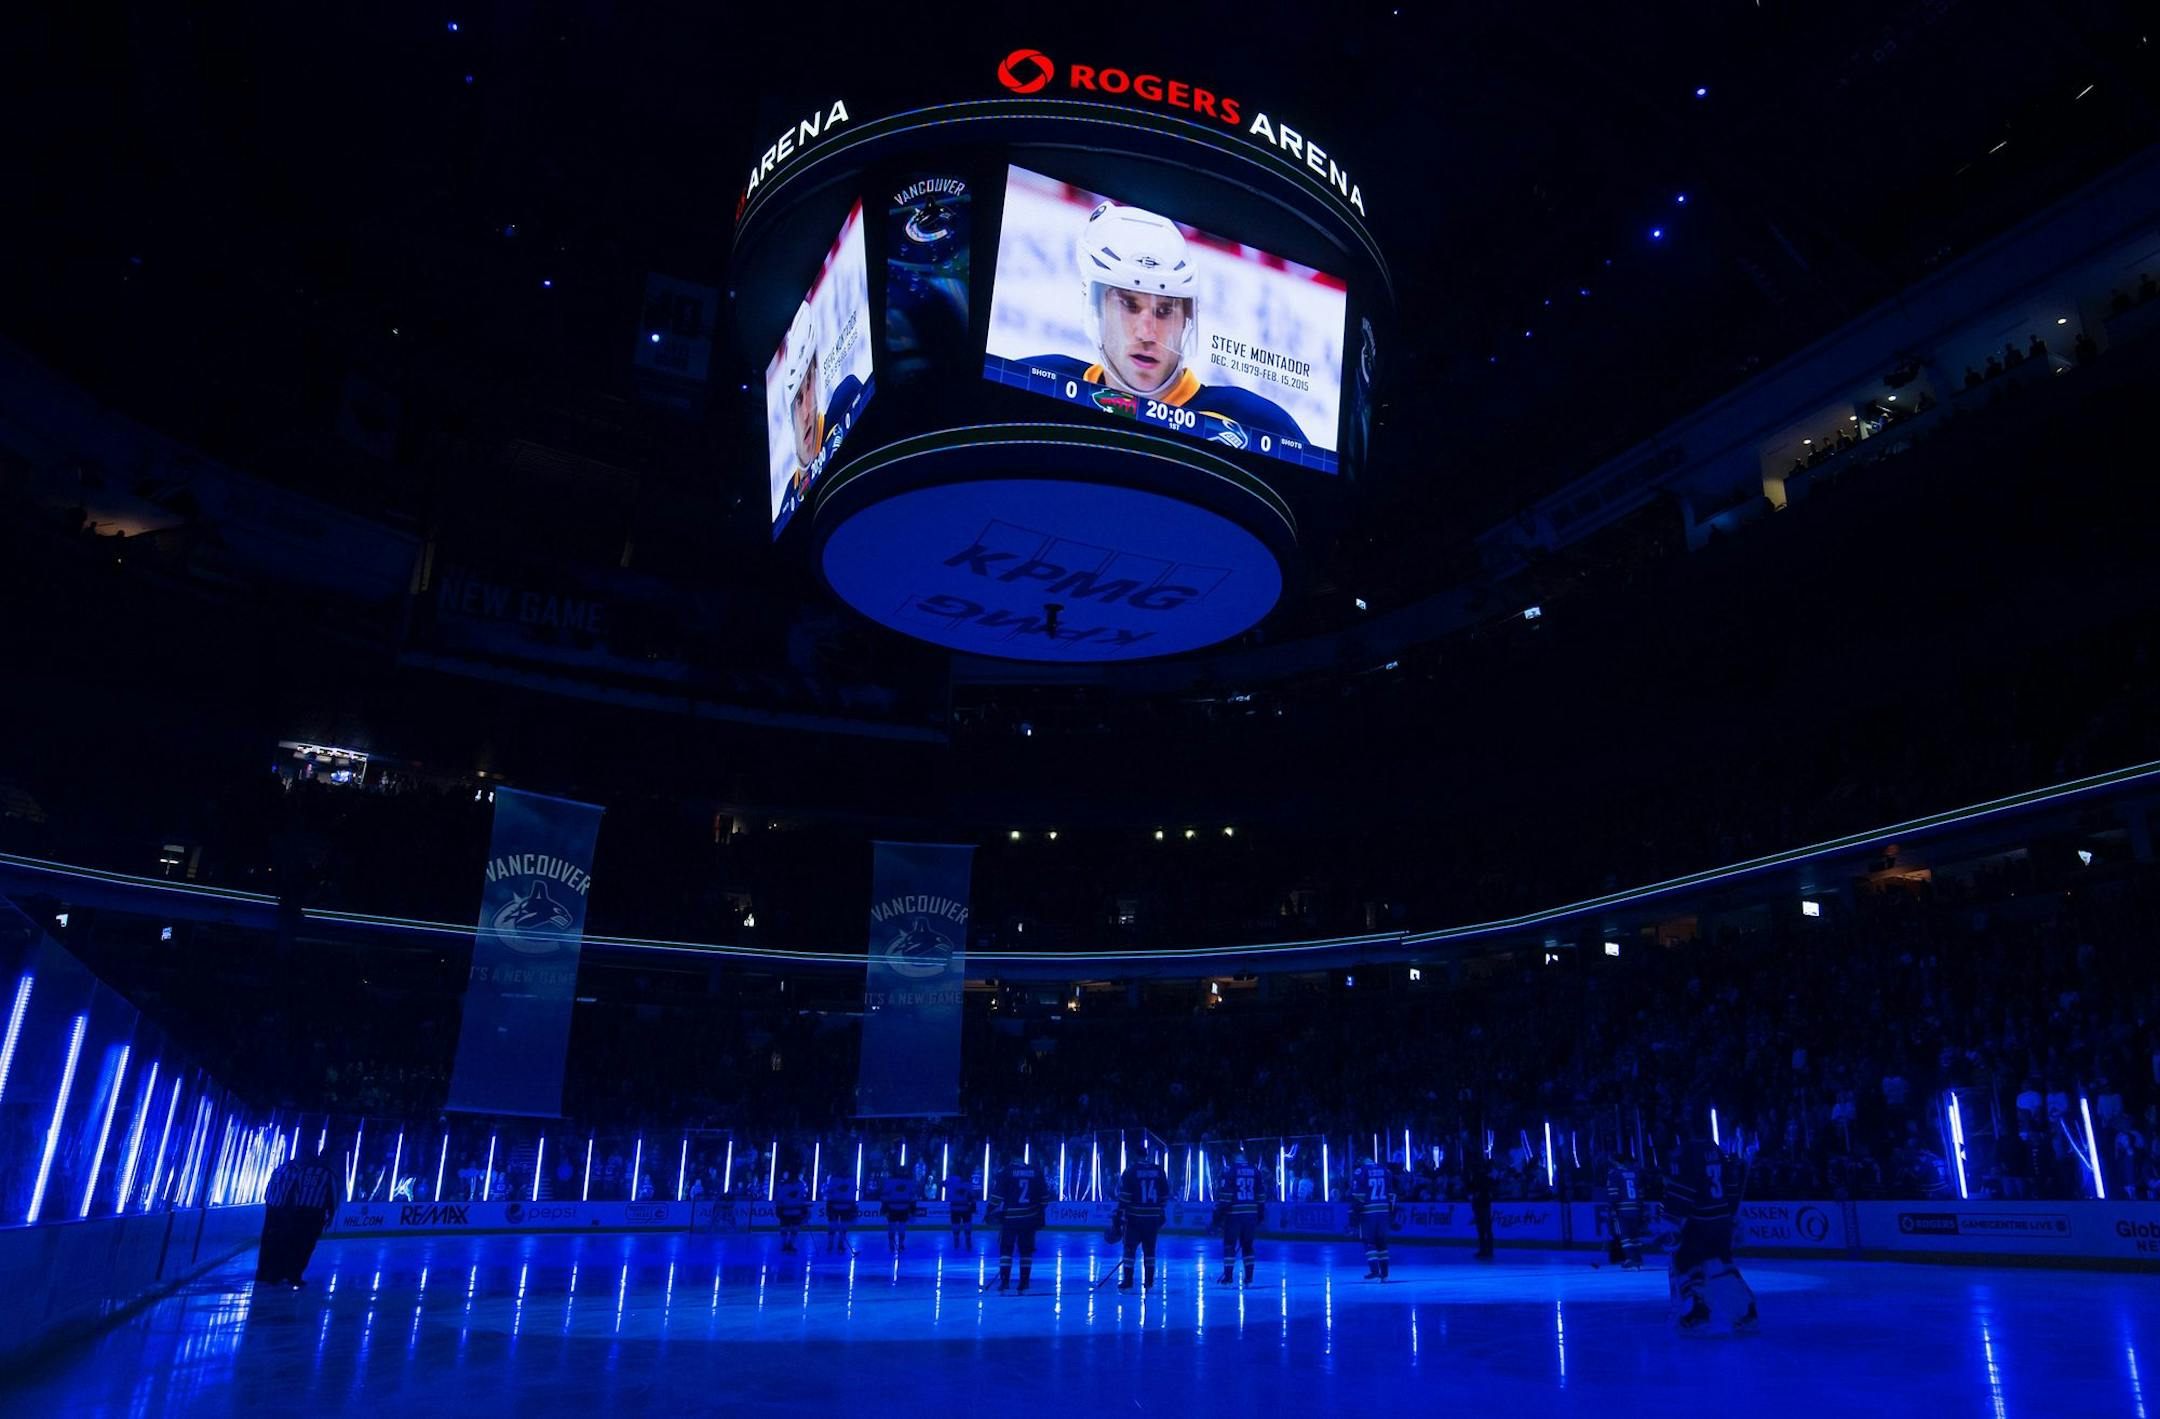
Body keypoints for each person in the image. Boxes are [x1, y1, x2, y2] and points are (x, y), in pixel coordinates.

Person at [1022, 201, 1310, 452]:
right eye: (1129, 306)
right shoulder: (1039, 380)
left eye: (1164, 311)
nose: (1147, 333)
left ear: (1185, 317)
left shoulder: (1258, 424)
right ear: (1095, 307)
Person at [772, 303, 863, 529]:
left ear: (817, 377)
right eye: (798, 399)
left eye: (809, 385)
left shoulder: (846, 398)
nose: (804, 415)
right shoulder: (786, 499)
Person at [1666, 1132, 1757, 1334]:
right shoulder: (1715, 1149)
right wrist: (1731, 1215)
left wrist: (1671, 1221)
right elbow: (1731, 1186)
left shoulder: (1686, 1152)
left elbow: (1682, 1190)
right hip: (1721, 1220)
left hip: (1699, 1222)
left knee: (1687, 1263)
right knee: (1722, 1266)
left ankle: (1696, 1315)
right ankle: (1745, 1313)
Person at [257, 1148, 338, 1289]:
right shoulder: (325, 1173)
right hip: (311, 1213)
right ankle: (292, 1275)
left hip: (285, 1210)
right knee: (304, 1245)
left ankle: (269, 1273)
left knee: (279, 1242)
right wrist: (330, 1214)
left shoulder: (287, 1169)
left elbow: (279, 1189)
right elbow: (333, 1196)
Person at [986, 1149, 1048, 1293]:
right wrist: (1037, 1212)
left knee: (1006, 1250)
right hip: (1029, 1219)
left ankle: (1005, 1282)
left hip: (1010, 1219)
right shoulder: (1035, 1171)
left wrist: (989, 1210)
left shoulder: (1005, 1172)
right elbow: (1045, 1198)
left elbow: (996, 1198)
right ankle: (1024, 1282)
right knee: (1026, 1251)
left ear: (1012, 1157)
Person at [1114, 1149, 1170, 1292]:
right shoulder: (1158, 1170)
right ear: (1147, 1156)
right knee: (1150, 1250)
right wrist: (1159, 1210)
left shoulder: (1130, 1171)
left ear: (1135, 1155)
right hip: (1152, 1219)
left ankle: (1128, 1280)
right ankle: (1149, 1281)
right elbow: (1165, 1194)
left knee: (1129, 1249)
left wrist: (1118, 1215)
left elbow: (1125, 1197)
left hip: (1134, 1218)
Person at [1216, 1149, 1268, 1286]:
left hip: (1234, 1215)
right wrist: (1260, 1213)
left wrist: (1219, 1215)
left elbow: (1226, 1196)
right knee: (1248, 1246)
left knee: (1229, 1245)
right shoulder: (1255, 1170)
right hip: (1251, 1214)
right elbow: (1261, 1195)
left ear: (1235, 1157)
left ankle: (1228, 1277)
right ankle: (1249, 1278)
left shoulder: (1231, 1171)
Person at [1349, 1152, 1396, 1280]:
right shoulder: (1385, 1170)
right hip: (1384, 1211)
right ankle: (1385, 1273)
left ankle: (1374, 1269)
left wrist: (1354, 1213)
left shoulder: (1361, 1171)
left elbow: (1359, 1195)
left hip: (1368, 1211)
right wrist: (1390, 1212)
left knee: (1368, 1241)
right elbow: (1392, 1194)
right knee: (1382, 1242)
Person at [1603, 1155, 1649, 1270]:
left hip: (1623, 1209)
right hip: (1636, 1208)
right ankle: (1638, 1258)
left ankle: (1630, 1258)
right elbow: (1640, 1193)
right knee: (1635, 1235)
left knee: (1625, 1236)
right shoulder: (1635, 1173)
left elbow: (1614, 1193)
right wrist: (1641, 1209)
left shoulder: (1614, 1174)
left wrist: (1611, 1207)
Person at [879, 1162, 918, 1253]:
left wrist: (913, 1208)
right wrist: (884, 1207)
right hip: (893, 1208)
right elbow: (885, 1196)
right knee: (892, 1227)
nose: (902, 1173)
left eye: (903, 1171)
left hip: (903, 1208)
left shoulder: (907, 1182)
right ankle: (892, 1244)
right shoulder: (892, 1182)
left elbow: (912, 1197)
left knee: (902, 1228)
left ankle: (900, 1244)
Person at [1466, 1150, 1496, 1259]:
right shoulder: (1480, 1176)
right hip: (1482, 1204)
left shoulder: (1479, 1176)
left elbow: (1474, 1188)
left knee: (1484, 1228)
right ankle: (1486, 1249)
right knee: (1484, 1228)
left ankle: (1485, 1249)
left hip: (1482, 1204)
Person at [821, 1169, 856, 1254]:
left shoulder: (851, 1180)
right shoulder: (833, 1180)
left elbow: (852, 1192)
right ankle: (830, 1244)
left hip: (846, 1206)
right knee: (832, 1226)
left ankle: (840, 1243)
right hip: (834, 1205)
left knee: (843, 1226)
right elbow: (828, 1192)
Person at [773, 1171, 809, 1253]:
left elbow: (779, 1199)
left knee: (789, 1229)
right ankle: (787, 1244)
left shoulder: (787, 1185)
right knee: (789, 1229)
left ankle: (787, 1244)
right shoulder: (799, 1185)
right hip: (791, 1211)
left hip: (790, 1211)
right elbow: (802, 1198)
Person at [945, 1162, 977, 1252]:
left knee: (955, 1224)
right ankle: (968, 1240)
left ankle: (956, 1240)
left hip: (954, 1207)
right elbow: (972, 1195)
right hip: (965, 1207)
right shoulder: (967, 1181)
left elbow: (942, 1184)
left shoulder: (950, 1179)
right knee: (967, 1224)